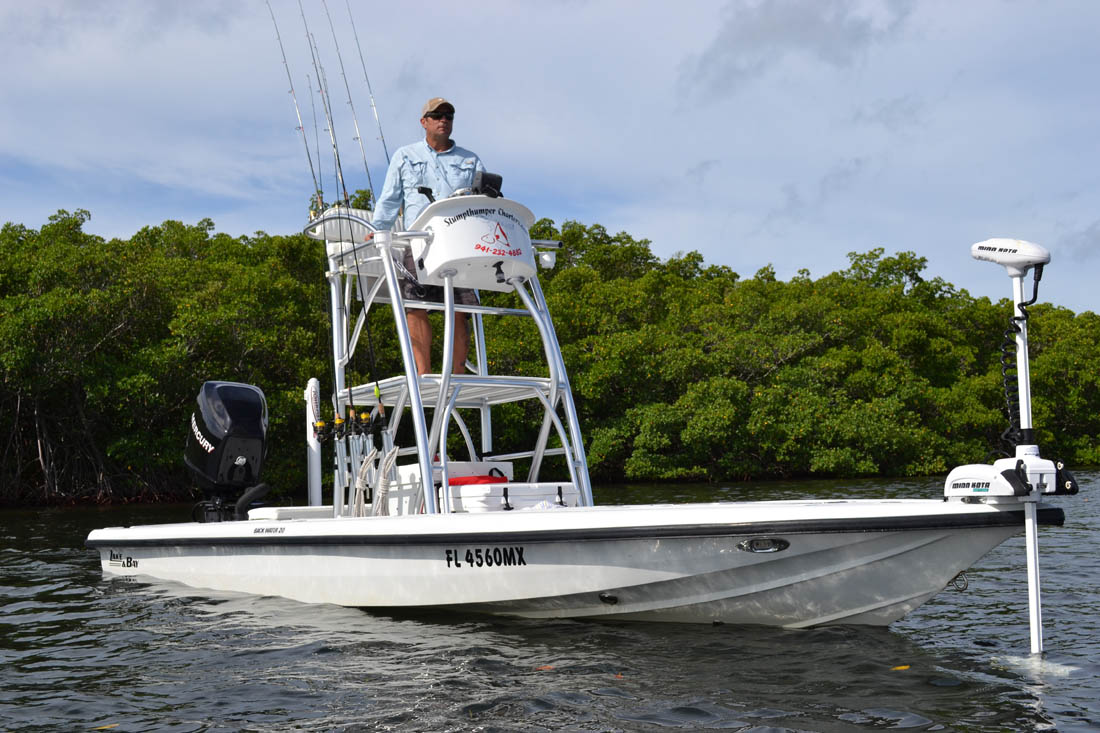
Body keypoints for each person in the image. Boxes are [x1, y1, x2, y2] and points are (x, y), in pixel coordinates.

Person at [371, 97, 485, 375]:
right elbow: (389, 199)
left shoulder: (470, 159)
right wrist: (378, 231)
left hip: (460, 243)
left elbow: (484, 199)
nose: (443, 120)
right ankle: (422, 374)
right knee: (415, 305)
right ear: (424, 122)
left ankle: (458, 374)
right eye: (437, 115)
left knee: (461, 308)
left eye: (449, 115)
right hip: (419, 241)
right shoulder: (405, 155)